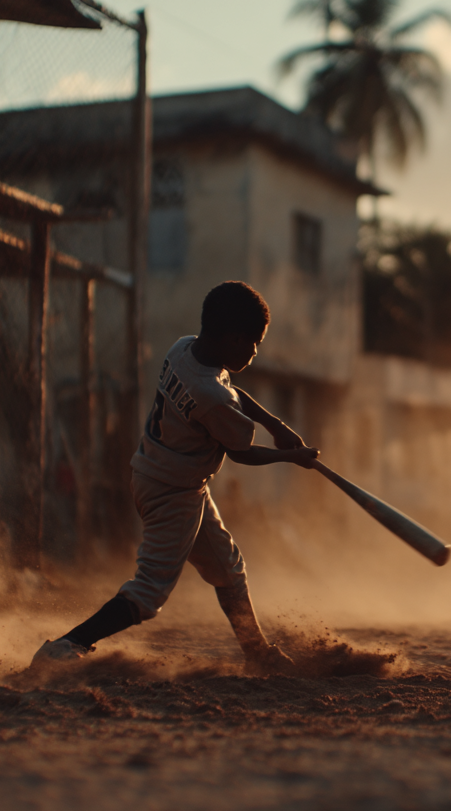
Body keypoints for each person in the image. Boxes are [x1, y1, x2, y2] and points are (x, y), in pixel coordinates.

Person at [32, 281, 319, 673]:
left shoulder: (184, 348)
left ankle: (256, 651)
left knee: (228, 567)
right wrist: (291, 456)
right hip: (173, 493)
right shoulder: (210, 397)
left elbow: (230, 389)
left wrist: (276, 424)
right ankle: (68, 645)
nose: (254, 352)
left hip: (158, 474)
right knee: (150, 590)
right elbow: (240, 452)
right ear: (234, 338)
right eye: (252, 343)